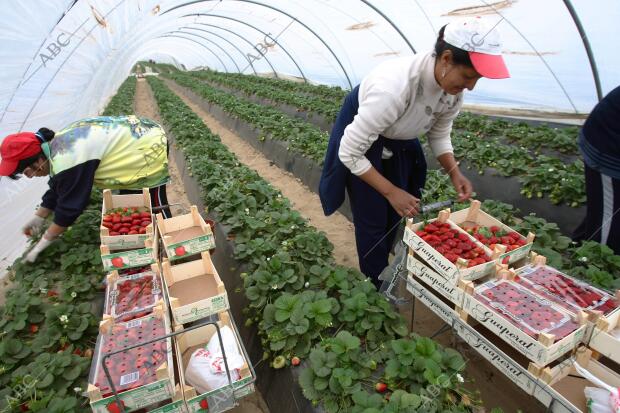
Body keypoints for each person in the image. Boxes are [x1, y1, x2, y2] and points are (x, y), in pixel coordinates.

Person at [319, 17, 510, 287]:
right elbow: (349, 152)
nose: (471, 86)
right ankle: (375, 283)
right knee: (372, 213)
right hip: (363, 142)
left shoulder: (451, 90)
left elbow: (439, 132)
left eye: (476, 79)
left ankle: (385, 263)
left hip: (400, 139)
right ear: (446, 58)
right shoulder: (392, 88)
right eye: (468, 76)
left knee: (395, 214)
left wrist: (454, 172)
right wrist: (390, 191)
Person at [0, 115, 171, 262]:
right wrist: (39, 217)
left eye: (26, 171)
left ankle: (172, 248)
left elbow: (69, 208)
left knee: (154, 204)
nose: (29, 176)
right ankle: (149, 249)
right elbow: (58, 187)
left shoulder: (68, 158)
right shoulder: (56, 146)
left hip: (148, 144)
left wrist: (44, 241)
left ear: (37, 160)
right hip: (134, 141)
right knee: (135, 204)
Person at [573, 86, 620, 254]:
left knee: (602, 211)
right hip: (609, 145)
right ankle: (596, 264)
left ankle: (577, 249)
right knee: (609, 219)